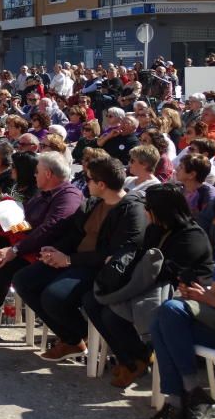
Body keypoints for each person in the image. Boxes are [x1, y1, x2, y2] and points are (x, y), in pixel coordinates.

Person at [13, 156, 146, 363]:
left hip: (97, 268)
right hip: (74, 260)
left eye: (89, 179)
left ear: (101, 185)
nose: (85, 183)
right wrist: (54, 251)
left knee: (54, 296)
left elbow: (115, 253)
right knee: (24, 280)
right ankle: (72, 339)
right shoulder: (94, 203)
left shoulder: (131, 211)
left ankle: (76, 335)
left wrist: (68, 260)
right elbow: (75, 235)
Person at [84, 183, 214, 390]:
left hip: (180, 293)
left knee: (111, 314)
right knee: (92, 301)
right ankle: (129, 358)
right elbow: (144, 262)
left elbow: (167, 273)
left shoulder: (192, 237)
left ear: (161, 211)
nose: (145, 211)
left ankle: (138, 359)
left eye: (149, 208)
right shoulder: (156, 229)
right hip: (149, 285)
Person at [0, 152, 83, 346]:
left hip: (47, 254)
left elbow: (48, 229)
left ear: (49, 174)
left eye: (38, 172)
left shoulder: (68, 196)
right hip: (27, 246)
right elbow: (25, 221)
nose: (35, 175)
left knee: (0, 263)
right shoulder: (42, 195)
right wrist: (0, 226)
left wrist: (14, 249)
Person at [129, 194, 215, 419]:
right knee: (163, 320)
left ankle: (181, 403)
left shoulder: (195, 236)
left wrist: (214, 301)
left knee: (167, 314)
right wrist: (196, 292)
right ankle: (186, 400)